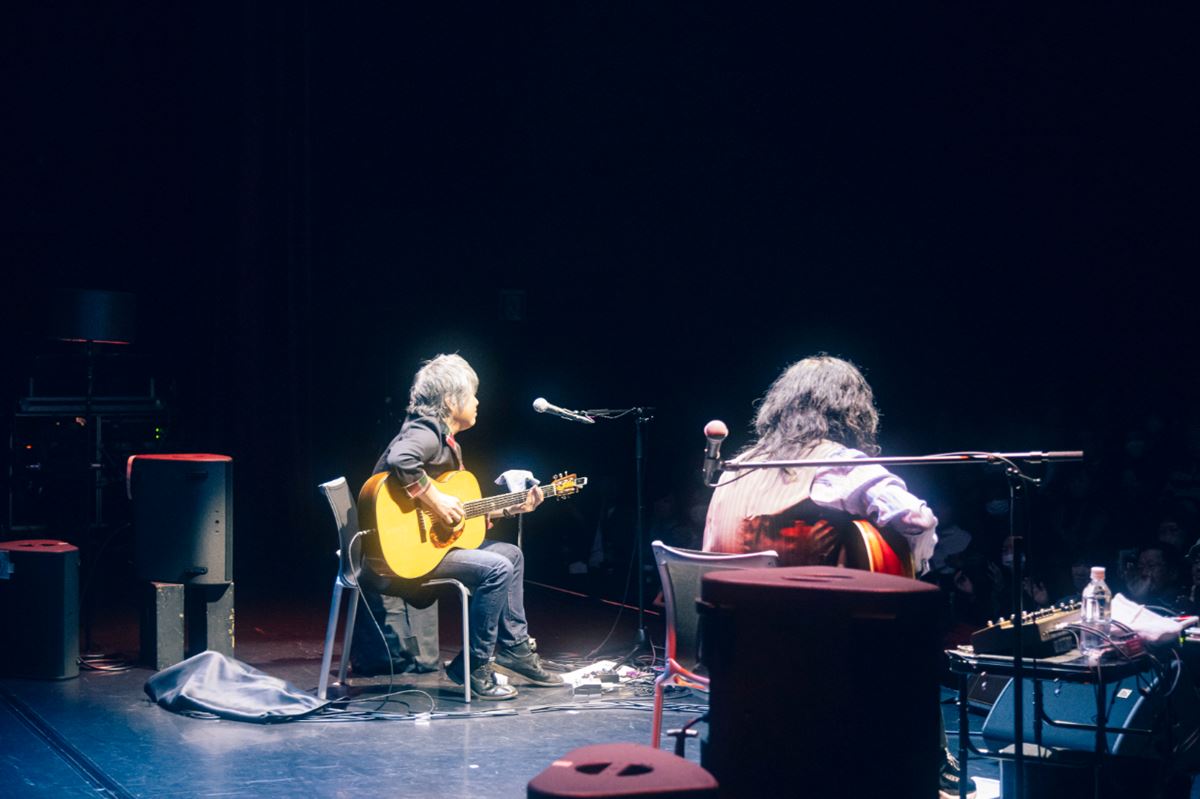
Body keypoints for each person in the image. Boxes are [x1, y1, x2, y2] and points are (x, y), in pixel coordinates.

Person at [701, 355, 971, 798]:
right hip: (812, 645)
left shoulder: (736, 467)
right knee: (905, 634)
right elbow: (917, 521)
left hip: (730, 645)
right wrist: (912, 568)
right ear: (850, 410)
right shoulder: (838, 464)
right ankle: (929, 764)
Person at [355, 353, 562, 700]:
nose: (478, 402)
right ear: (451, 401)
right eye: (473, 395)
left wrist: (511, 508)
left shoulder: (446, 442)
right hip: (401, 559)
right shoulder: (426, 431)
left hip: (425, 551)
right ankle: (474, 666)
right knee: (496, 567)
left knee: (510, 555)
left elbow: (461, 516)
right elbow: (401, 459)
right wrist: (435, 499)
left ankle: (515, 648)